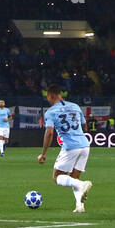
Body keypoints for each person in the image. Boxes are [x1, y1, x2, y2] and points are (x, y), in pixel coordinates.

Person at [38, 85, 93, 213]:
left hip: (70, 147)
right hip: (85, 145)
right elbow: (85, 126)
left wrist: (43, 153)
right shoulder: (75, 106)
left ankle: (82, 185)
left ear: (51, 96)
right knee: (74, 178)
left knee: (57, 177)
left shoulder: (50, 112)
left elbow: (50, 133)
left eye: (48, 98)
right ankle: (79, 206)